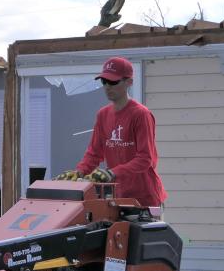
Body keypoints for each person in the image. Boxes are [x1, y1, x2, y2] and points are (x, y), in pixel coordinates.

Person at [68, 56, 167, 209]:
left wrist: (111, 173)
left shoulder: (141, 114)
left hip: (145, 199)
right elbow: (94, 154)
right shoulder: (103, 115)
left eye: (113, 82)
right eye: (104, 81)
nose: (107, 86)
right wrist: (79, 173)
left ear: (129, 82)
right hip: (118, 197)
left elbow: (145, 159)